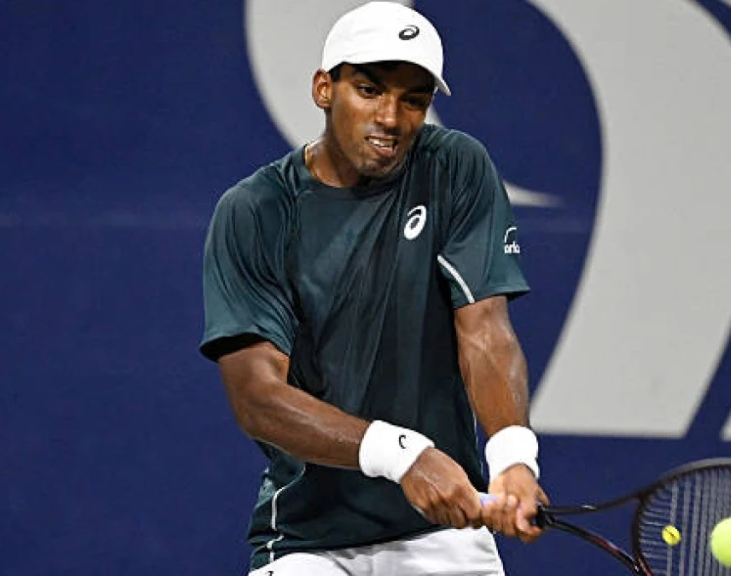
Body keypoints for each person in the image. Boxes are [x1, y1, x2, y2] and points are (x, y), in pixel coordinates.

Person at [200, 2, 549, 574]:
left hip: (442, 532)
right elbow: (257, 397)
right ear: (324, 88)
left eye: (414, 100)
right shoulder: (256, 211)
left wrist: (513, 455)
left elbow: (484, 329)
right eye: (369, 90)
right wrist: (402, 455)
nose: (390, 117)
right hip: (307, 541)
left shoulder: (455, 167)